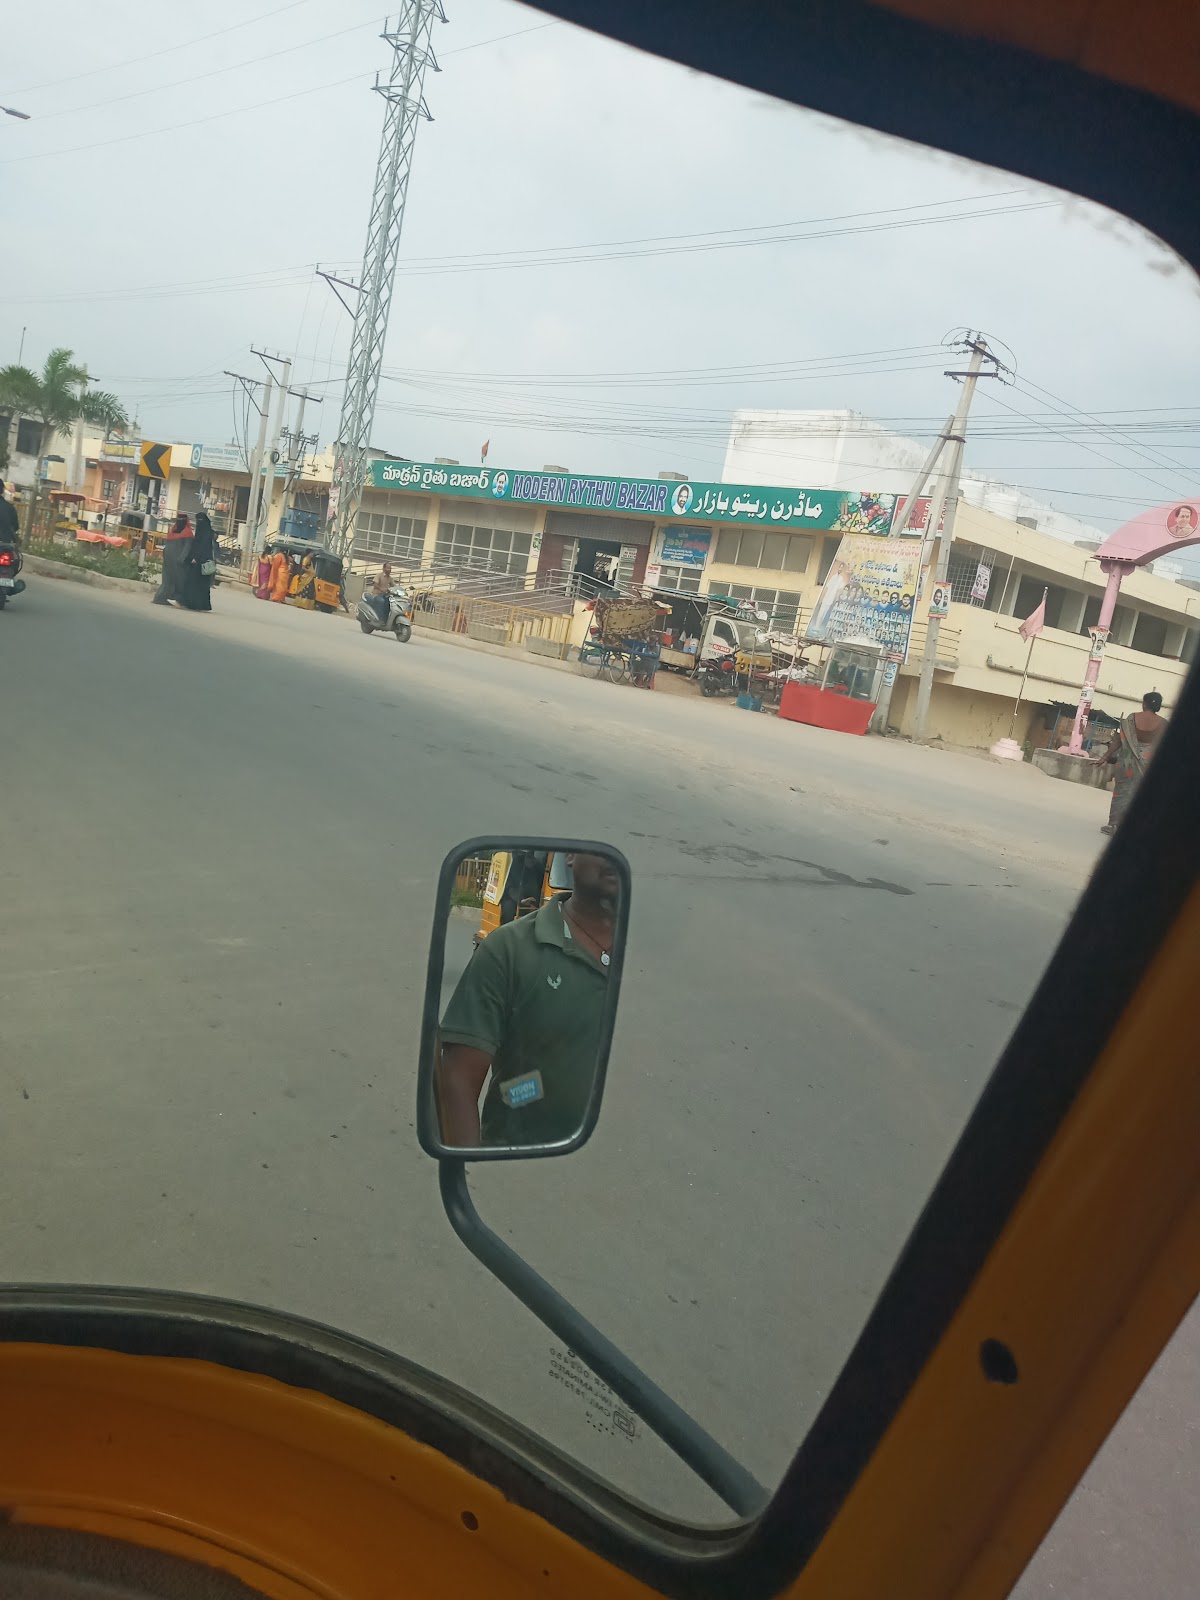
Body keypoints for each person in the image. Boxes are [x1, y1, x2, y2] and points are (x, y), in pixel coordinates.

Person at [436, 852, 620, 1148]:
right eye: (604, 843)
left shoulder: (664, 964)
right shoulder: (507, 950)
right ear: (570, 854)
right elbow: (458, 1081)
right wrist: (467, 1168)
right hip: (522, 1157)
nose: (619, 855)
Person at [1097, 691, 1166, 834]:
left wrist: (1104, 757)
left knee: (1122, 792)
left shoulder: (1131, 718)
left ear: (1144, 704)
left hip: (1127, 761)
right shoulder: (1164, 724)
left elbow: (1118, 740)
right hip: (1150, 763)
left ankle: (1114, 825)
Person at [179, 511, 216, 612]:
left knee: (194, 583)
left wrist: (196, 557)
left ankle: (192, 603)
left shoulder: (206, 533)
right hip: (201, 561)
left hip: (201, 562)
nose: (198, 522)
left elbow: (202, 546)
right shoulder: (204, 531)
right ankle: (197, 604)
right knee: (198, 584)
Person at [152, 514, 192, 606]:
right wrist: (182, 559)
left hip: (171, 559)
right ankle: (171, 598)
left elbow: (168, 547)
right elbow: (187, 548)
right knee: (175, 580)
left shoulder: (172, 531)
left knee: (168, 580)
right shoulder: (187, 533)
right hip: (177, 561)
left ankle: (161, 598)